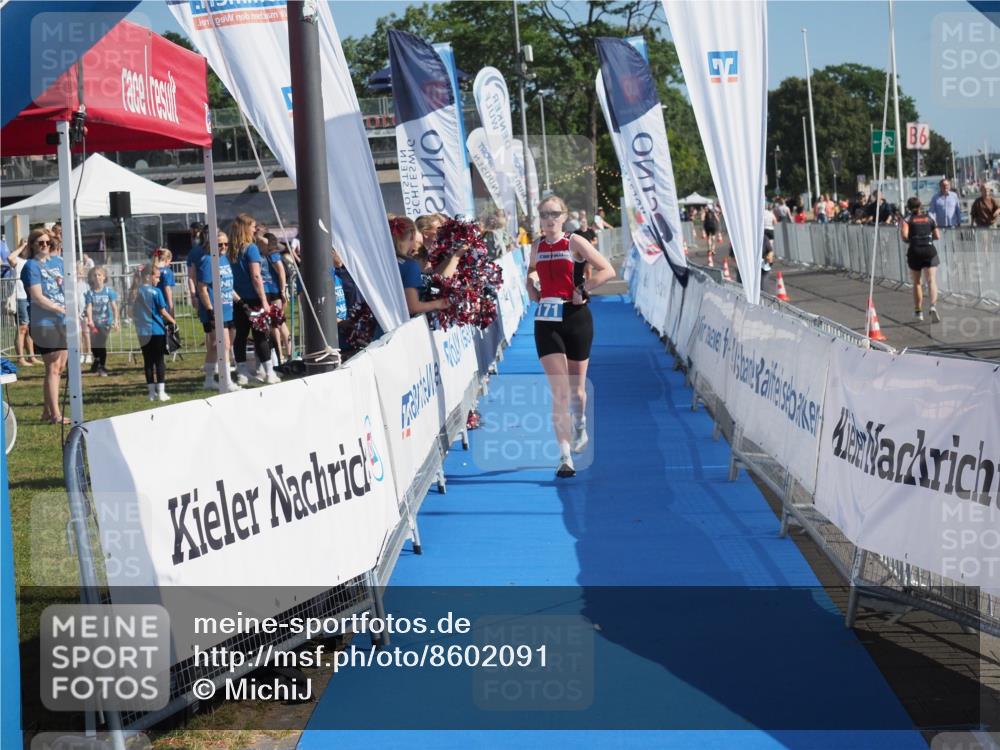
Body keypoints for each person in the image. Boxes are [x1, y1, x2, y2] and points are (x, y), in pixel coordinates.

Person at [526, 195, 616, 478]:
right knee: (560, 391)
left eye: (554, 213)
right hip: (546, 320)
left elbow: (608, 269)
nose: (549, 219)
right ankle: (565, 457)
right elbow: (531, 272)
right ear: (540, 218)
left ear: (563, 217)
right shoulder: (537, 246)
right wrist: (531, 285)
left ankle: (580, 425)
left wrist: (585, 288)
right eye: (544, 214)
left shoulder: (574, 242)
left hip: (576, 318)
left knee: (577, 390)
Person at [20, 228, 69, 423]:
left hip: (62, 320)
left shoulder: (58, 262)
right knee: (53, 367)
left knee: (60, 366)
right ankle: (56, 414)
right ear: (32, 245)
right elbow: (37, 296)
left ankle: (47, 412)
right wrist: (60, 309)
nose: (45, 246)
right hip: (44, 322)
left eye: (48, 242)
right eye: (40, 242)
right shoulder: (31, 266)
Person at [228, 213, 279, 384]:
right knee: (260, 336)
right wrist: (264, 301)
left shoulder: (229, 250)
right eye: (252, 226)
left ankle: (242, 373)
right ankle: (269, 372)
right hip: (254, 299)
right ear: (245, 228)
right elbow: (256, 276)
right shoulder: (251, 248)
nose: (255, 229)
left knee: (240, 335)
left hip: (237, 299)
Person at [197, 231, 242, 393]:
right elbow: (202, 288)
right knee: (225, 345)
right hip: (215, 309)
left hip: (228, 307)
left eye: (225, 244)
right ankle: (226, 381)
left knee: (217, 346)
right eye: (219, 244)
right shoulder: (208, 261)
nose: (223, 247)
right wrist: (209, 310)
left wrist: (240, 301)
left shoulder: (224, 259)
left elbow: (227, 285)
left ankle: (209, 380)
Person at [130, 264, 177, 401]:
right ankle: (161, 392)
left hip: (142, 331)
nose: (158, 280)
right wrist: (173, 321)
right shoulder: (156, 292)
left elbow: (130, 312)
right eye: (157, 277)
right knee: (159, 361)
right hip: (156, 330)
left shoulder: (135, 292)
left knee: (148, 361)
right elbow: (162, 311)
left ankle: (151, 393)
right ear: (148, 277)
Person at [389, 216, 451, 317]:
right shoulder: (410, 266)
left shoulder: (387, 258)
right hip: (391, 321)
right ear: (413, 235)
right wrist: (438, 304)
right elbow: (413, 307)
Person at [901, 196, 942, 323]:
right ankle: (933, 306)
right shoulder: (929, 218)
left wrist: (912, 240)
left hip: (915, 250)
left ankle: (918, 311)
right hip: (929, 250)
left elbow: (904, 236)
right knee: (931, 280)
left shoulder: (907, 219)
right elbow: (937, 236)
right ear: (920, 207)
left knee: (917, 282)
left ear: (908, 207)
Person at [7, 238, 39, 366]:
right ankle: (20, 358)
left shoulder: (31, 261)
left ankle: (31, 356)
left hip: (30, 297)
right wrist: (21, 246)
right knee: (22, 327)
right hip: (20, 297)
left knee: (29, 328)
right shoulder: (18, 260)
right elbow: (10, 258)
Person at [84, 266, 118, 376]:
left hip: (106, 322)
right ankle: (97, 361)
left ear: (104, 277)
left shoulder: (109, 292)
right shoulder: (90, 293)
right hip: (94, 322)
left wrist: (116, 320)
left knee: (101, 343)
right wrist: (90, 320)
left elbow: (114, 307)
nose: (97, 277)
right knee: (94, 344)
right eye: (95, 275)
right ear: (92, 278)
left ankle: (101, 366)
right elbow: (88, 307)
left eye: (99, 275)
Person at [152, 248, 175, 316]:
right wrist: (171, 306)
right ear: (167, 259)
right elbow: (167, 288)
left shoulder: (152, 269)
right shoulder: (167, 271)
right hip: (163, 303)